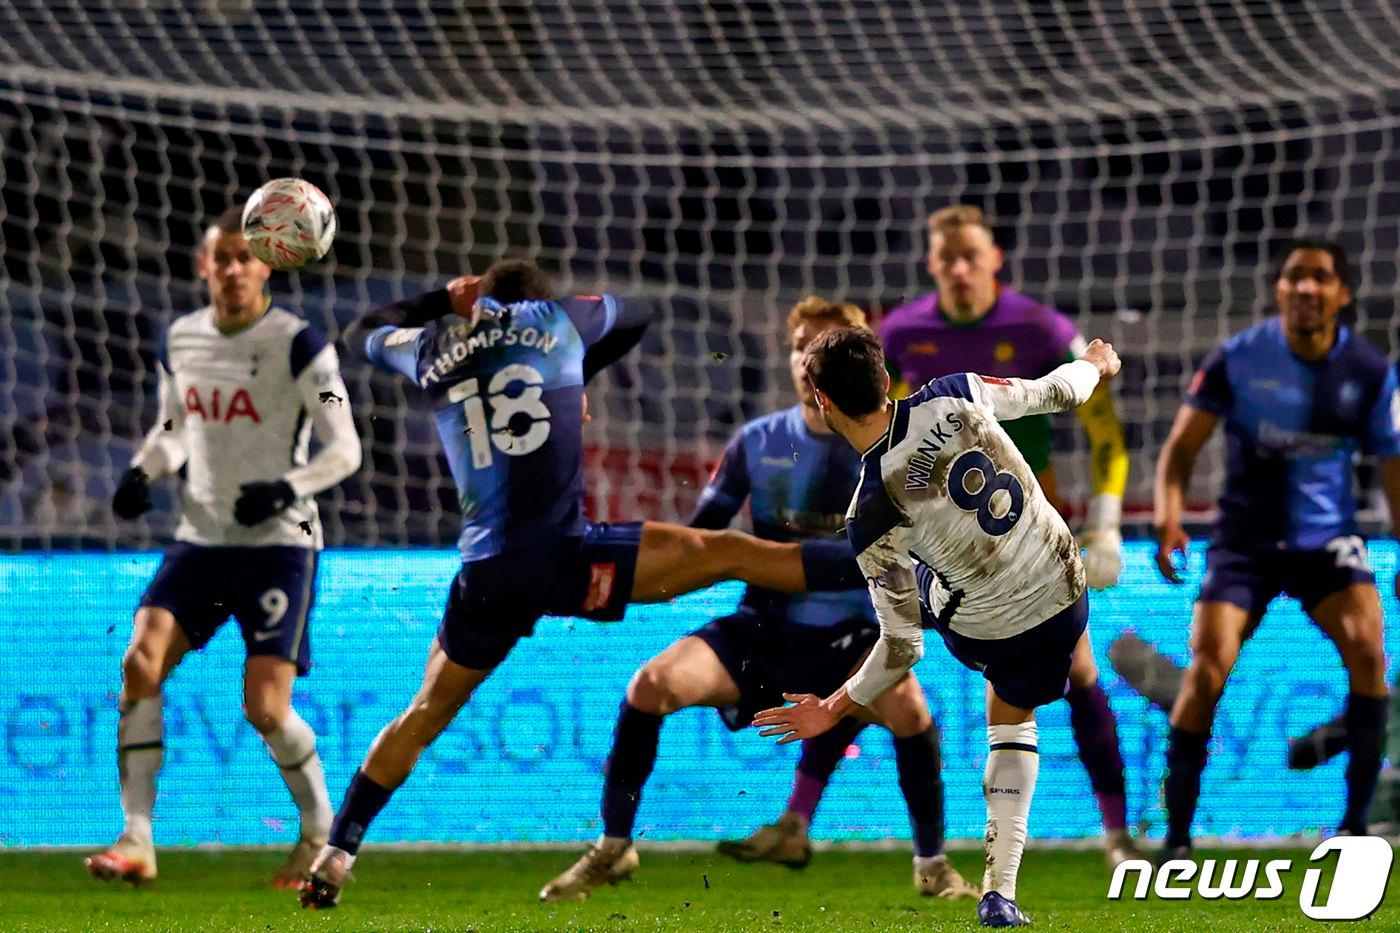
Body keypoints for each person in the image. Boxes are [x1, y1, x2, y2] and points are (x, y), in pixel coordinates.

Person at [299, 261, 860, 909]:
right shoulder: (559, 322)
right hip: (569, 560)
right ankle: (878, 561)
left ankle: (336, 855)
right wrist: (573, 372)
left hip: (486, 574)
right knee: (729, 552)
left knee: (424, 713)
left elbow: (361, 332)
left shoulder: (431, 348)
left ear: (478, 303)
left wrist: (442, 299)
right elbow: (640, 311)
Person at [731, 204, 1136, 868]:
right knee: (872, 645)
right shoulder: (909, 340)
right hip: (941, 536)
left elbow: (1104, 432)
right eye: (947, 258)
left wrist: (1107, 521)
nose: (959, 269)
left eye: (971, 255)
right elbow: (1060, 392)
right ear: (930, 265)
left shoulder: (1039, 325)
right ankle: (801, 818)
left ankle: (1115, 835)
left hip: (1010, 544)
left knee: (1056, 675)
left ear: (995, 258)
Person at [539, 298, 976, 903]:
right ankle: (613, 847)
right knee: (651, 685)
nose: (806, 359)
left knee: (909, 711)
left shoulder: (901, 450)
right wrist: (617, 575)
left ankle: (932, 866)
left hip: (850, 638)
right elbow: (701, 539)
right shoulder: (757, 440)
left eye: (822, 346)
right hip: (762, 630)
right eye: (799, 346)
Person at [753, 327, 1121, 927]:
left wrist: (835, 707)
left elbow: (903, 647)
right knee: (1014, 707)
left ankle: (999, 888)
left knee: (903, 589)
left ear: (823, 401)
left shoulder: (869, 511)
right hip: (1065, 588)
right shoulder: (957, 393)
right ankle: (1006, 889)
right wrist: (1095, 364)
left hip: (993, 630)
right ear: (884, 378)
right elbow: (1059, 391)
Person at [84, 207, 363, 887]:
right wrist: (144, 470)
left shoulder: (299, 343)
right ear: (204, 266)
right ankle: (137, 838)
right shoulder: (182, 337)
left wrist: (286, 488)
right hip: (202, 539)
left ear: (269, 263)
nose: (235, 269)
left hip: (280, 544)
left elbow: (345, 449)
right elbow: (174, 425)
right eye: (223, 258)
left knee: (265, 709)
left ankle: (318, 832)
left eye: (246, 257)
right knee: (140, 663)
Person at [1154, 238, 1400, 858]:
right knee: (1207, 668)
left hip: (1327, 542)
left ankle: (1354, 829)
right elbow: (1180, 450)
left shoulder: (1369, 371)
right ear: (1279, 290)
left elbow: (1393, 462)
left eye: (1320, 277)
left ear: (1342, 294)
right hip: (1244, 542)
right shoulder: (1238, 356)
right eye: (1294, 276)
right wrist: (1168, 519)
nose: (1305, 288)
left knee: (1369, 654)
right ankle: (1177, 840)